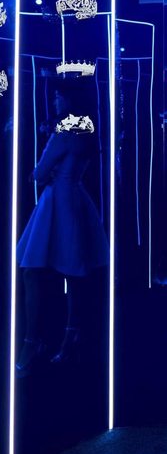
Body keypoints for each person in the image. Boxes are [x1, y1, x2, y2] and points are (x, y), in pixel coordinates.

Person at [15, 82, 109, 377]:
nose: (54, 100)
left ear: (68, 99)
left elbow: (38, 173)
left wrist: (43, 169)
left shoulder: (64, 133)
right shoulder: (87, 131)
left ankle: (32, 342)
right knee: (73, 272)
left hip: (57, 201)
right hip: (76, 198)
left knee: (33, 269)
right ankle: (71, 334)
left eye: (57, 96)